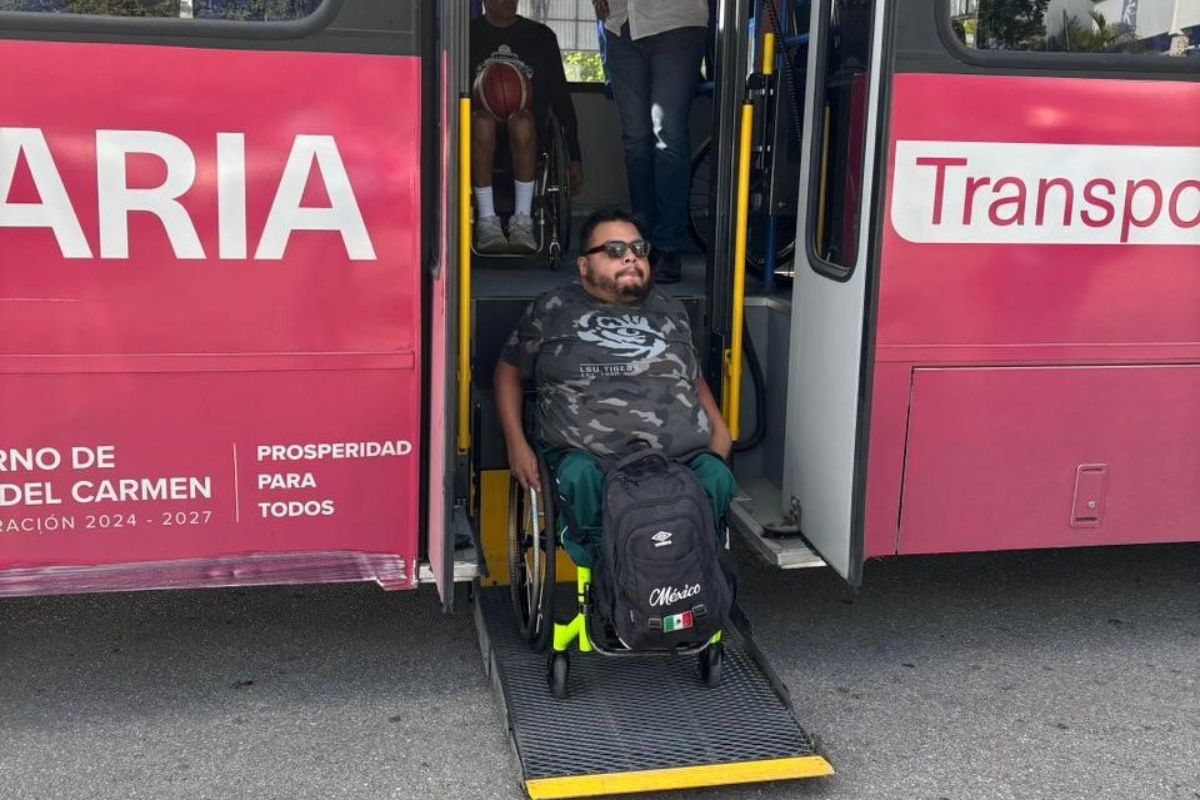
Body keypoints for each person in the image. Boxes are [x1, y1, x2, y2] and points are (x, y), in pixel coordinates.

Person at [495, 207, 735, 567]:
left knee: (717, 476)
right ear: (583, 266)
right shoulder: (552, 310)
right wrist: (516, 445)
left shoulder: (671, 310)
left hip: (677, 460)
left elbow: (691, 375)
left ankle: (689, 570)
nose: (630, 257)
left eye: (639, 249)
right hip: (594, 461)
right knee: (577, 476)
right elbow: (508, 372)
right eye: (614, 250)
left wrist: (720, 430)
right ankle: (610, 573)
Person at [592, 0, 708, 283]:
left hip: (675, 20)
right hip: (620, 25)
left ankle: (667, 246)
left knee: (667, 133)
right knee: (635, 140)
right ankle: (642, 240)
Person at [470, 0, 584, 254]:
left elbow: (561, 99)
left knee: (521, 121)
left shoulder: (541, 37)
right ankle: (487, 222)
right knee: (482, 122)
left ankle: (522, 221)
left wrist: (574, 157)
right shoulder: (468, 36)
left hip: (531, 137)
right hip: (479, 137)